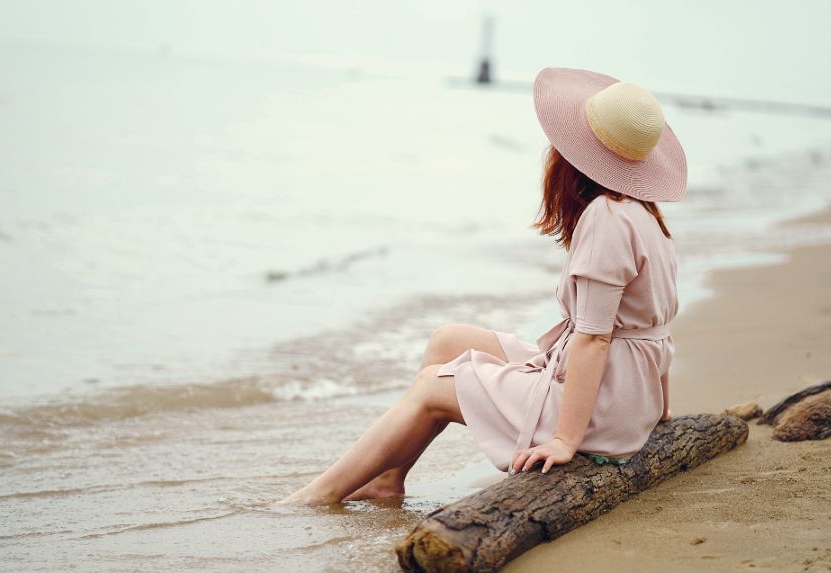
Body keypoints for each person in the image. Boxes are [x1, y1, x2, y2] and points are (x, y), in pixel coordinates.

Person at [276, 66, 686, 507]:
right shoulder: (645, 217)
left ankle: (316, 496)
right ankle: (386, 480)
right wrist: (657, 408)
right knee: (448, 341)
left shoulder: (606, 217)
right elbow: (656, 332)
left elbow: (593, 339)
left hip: (601, 411)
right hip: (625, 398)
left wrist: (566, 440)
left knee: (434, 386)